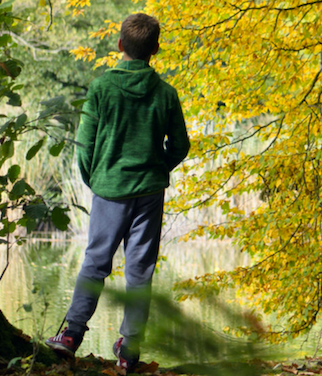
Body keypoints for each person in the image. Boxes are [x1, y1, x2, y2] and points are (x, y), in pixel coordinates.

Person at [45, 13, 190, 372]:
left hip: (110, 189)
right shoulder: (166, 93)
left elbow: (84, 146)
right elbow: (181, 146)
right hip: (150, 192)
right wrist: (158, 169)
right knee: (140, 270)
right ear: (155, 49)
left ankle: (71, 336)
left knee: (95, 262)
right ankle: (129, 351)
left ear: (120, 45)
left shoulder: (101, 89)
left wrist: (97, 179)